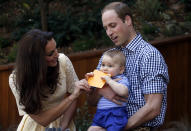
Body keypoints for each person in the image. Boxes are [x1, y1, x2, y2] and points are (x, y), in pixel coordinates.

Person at [87, 2, 169, 131]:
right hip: (107, 123)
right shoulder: (107, 57)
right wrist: (95, 88)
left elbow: (153, 108)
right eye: (106, 28)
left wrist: (118, 128)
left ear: (127, 20)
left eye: (112, 26)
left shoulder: (149, 55)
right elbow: (91, 102)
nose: (109, 32)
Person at [9, 29, 90, 131]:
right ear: (36, 60)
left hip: (64, 122)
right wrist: (72, 97)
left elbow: (73, 96)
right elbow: (43, 120)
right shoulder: (16, 79)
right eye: (51, 53)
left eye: (56, 48)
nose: (57, 54)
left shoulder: (63, 61)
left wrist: (62, 127)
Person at [87, 50, 130, 131]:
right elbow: (90, 90)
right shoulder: (101, 79)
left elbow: (123, 91)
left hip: (115, 114)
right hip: (100, 113)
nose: (105, 68)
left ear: (121, 70)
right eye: (103, 65)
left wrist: (110, 81)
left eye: (110, 66)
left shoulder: (121, 78)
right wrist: (90, 78)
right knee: (91, 129)